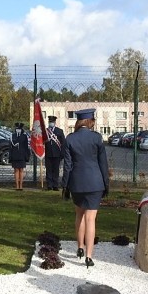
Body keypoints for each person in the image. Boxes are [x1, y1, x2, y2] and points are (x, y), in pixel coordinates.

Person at [62, 108, 110, 268]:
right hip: (95, 184)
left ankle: (80, 247)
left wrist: (65, 186)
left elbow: (67, 166)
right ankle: (89, 257)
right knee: (91, 219)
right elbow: (103, 164)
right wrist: (106, 184)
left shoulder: (70, 139)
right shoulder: (97, 138)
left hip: (77, 183)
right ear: (90, 122)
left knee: (79, 215)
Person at [44, 115, 66, 190]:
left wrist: (62, 153)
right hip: (48, 153)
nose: (51, 123)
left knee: (56, 170)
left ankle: (55, 185)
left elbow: (63, 143)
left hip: (57, 154)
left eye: (52, 122)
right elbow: (42, 142)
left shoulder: (59, 131)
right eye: (50, 122)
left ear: (55, 122)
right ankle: (49, 185)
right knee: (49, 170)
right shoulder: (46, 131)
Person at [8, 122, 31, 190]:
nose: (18, 129)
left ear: (21, 129)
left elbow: (26, 147)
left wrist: (27, 156)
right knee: (16, 170)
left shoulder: (24, 136)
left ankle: (21, 185)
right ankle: (17, 186)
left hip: (22, 155)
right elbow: (10, 147)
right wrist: (11, 156)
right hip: (15, 155)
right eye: (17, 128)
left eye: (19, 128)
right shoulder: (13, 136)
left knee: (21, 170)